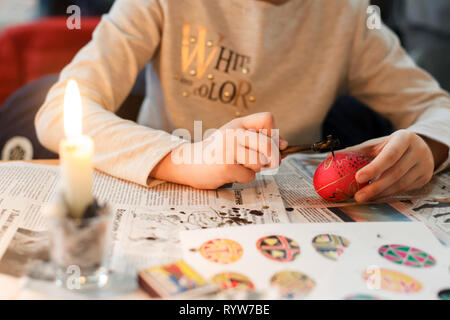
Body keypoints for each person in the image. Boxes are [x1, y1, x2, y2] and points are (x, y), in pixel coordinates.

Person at [35, 0, 450, 203]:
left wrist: (428, 146)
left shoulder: (347, 15)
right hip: (164, 195)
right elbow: (59, 110)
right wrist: (185, 159)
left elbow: (438, 109)